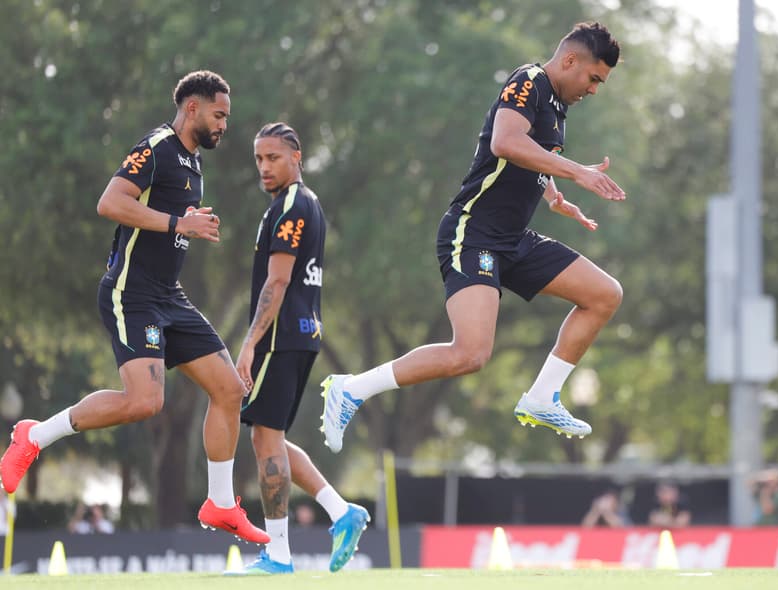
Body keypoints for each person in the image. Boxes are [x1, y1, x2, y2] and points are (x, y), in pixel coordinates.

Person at [320, 22, 624, 452]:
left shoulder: (557, 104)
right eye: (594, 78)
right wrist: (579, 172)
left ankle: (541, 397)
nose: (594, 89)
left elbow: (535, 153)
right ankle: (351, 389)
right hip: (473, 231)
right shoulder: (530, 80)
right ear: (570, 60)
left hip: (513, 239)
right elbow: (504, 141)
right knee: (470, 355)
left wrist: (555, 195)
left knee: (604, 294)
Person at [0, 71, 269, 545]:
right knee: (145, 401)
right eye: (219, 114)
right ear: (192, 108)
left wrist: (187, 223)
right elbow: (110, 202)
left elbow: (171, 223)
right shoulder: (158, 146)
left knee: (229, 390)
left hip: (170, 295)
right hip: (132, 293)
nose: (224, 124)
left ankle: (221, 504)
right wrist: (177, 223)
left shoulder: (192, 160)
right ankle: (34, 437)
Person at [229, 123, 369, 575]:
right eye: (258, 159)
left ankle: (279, 556)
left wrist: (249, 344)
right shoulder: (301, 203)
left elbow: (279, 279)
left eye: (273, 157)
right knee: (274, 438)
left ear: (297, 157)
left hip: (281, 336)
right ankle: (341, 511)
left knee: (262, 438)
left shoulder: (292, 203)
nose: (264, 167)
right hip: (303, 333)